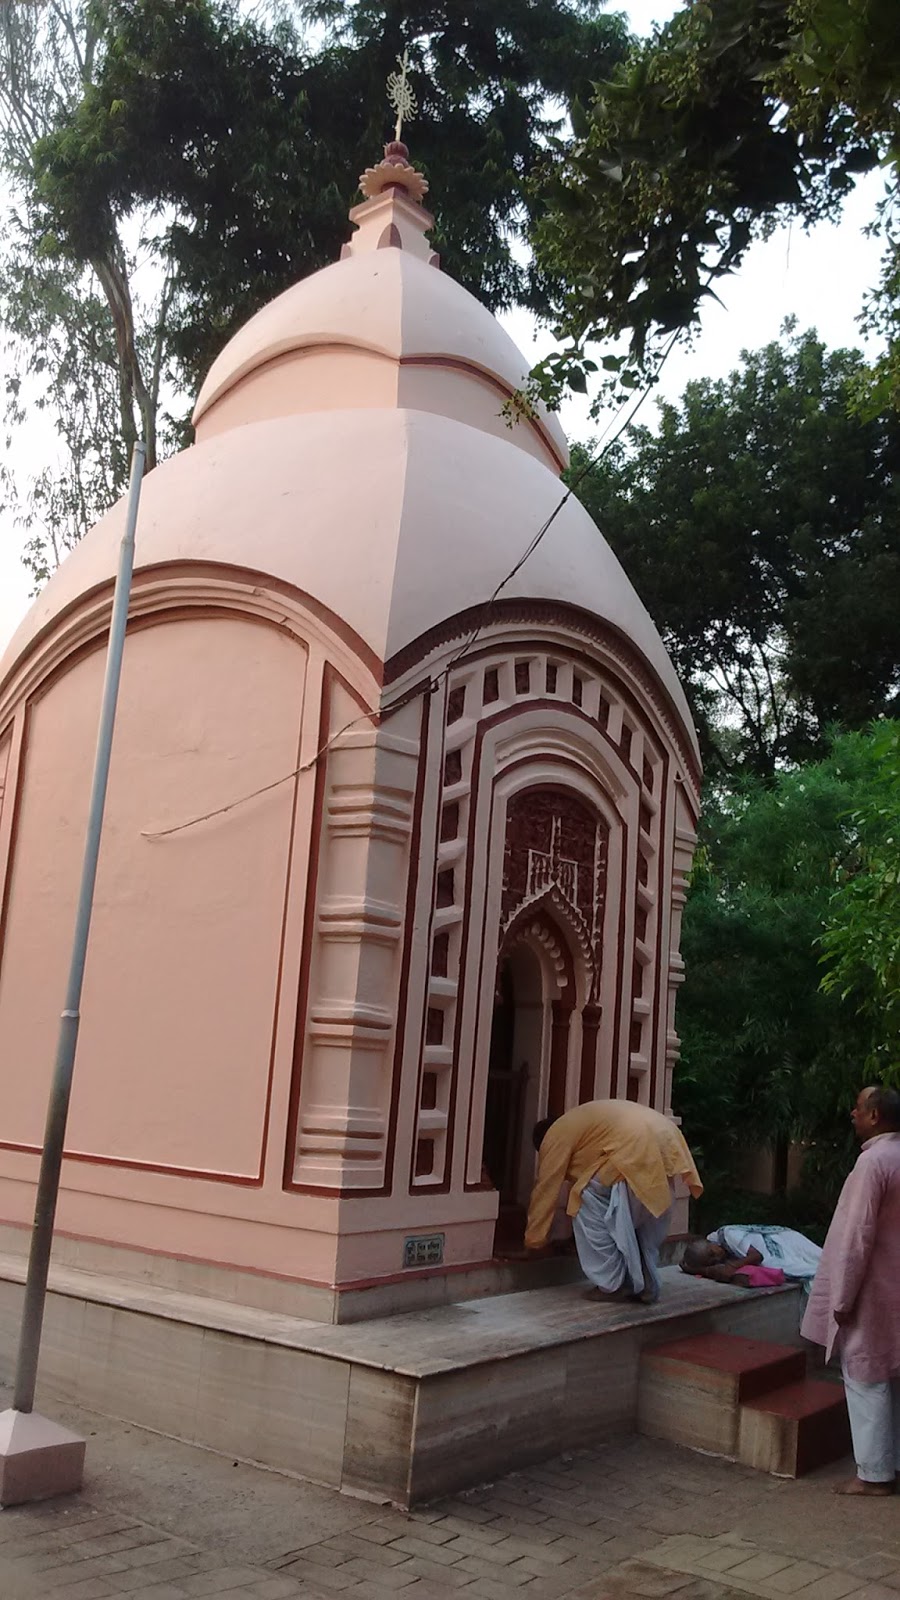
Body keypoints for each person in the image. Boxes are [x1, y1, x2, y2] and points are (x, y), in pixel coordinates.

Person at [801, 1084, 900, 1497]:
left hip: (872, 1290)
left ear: (875, 1115)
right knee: (893, 1374)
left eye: (858, 1108)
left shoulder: (873, 1163)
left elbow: (856, 1237)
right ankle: (891, 1465)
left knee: (865, 1375)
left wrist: (841, 1298)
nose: (852, 1114)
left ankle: (873, 1475)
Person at [524, 1099, 702, 1305]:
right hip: (664, 1136)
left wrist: (534, 1241)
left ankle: (612, 1285)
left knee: (583, 1199)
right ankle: (645, 1284)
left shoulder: (555, 1134)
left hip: (635, 1145)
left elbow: (546, 1188)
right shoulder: (582, 1124)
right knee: (639, 1224)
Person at [681, 1239, 786, 1290]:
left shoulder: (728, 1235)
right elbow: (723, 1273)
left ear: (711, 1243)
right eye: (713, 1262)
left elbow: (757, 1256)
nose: (718, 1258)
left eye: (712, 1253)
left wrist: (694, 1270)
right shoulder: (722, 1257)